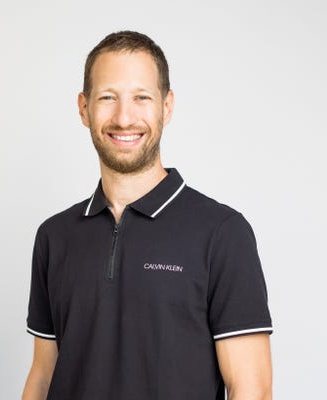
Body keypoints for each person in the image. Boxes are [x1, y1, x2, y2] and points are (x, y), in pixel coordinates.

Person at [22, 30, 273, 400]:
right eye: (107, 97)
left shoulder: (222, 233)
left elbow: (251, 388)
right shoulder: (54, 236)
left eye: (142, 97)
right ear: (83, 108)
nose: (124, 117)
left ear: (166, 107)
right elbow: (43, 377)